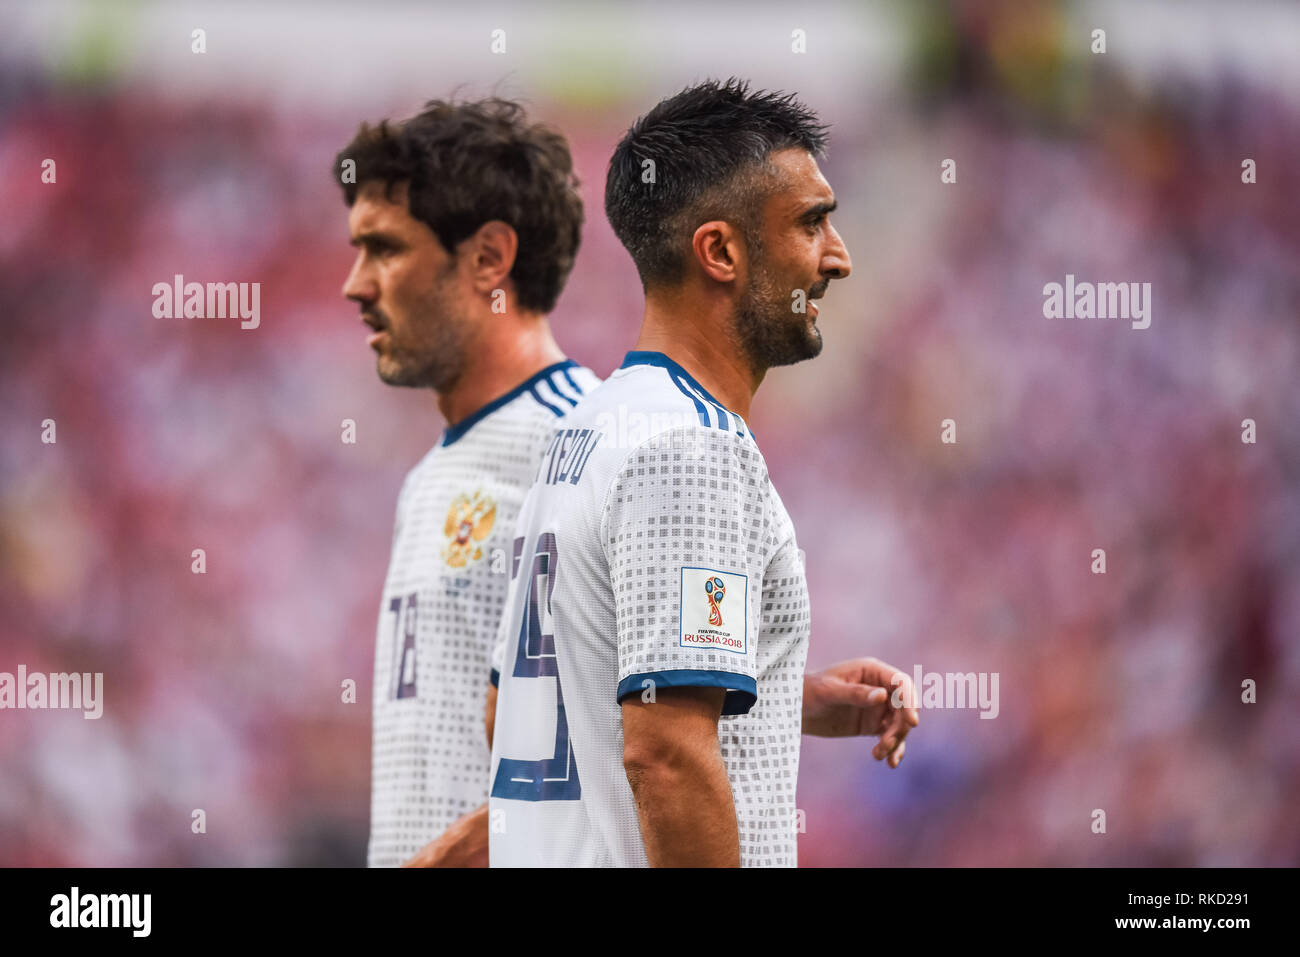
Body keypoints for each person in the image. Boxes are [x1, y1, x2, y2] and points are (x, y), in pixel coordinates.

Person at [487, 78, 918, 867]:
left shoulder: (582, 430)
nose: (839, 256)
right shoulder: (691, 445)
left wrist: (790, 693)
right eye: (812, 222)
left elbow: (525, 710)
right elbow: (667, 758)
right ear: (719, 250)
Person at [335, 97, 600, 867]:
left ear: (489, 259)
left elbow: (646, 730)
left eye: (384, 248)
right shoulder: (433, 475)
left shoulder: (588, 444)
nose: (355, 284)